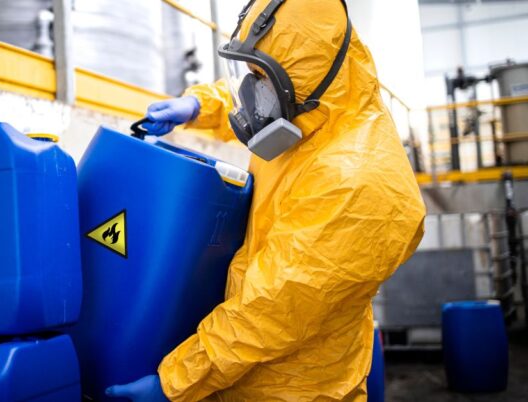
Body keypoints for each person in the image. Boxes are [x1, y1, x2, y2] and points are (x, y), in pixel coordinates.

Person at [106, 0, 426, 400]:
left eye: (259, 74)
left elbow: (271, 311)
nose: (251, 88)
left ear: (303, 78)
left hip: (300, 387)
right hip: (239, 373)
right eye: (251, 71)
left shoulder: (356, 183)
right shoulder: (305, 120)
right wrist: (197, 106)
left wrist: (174, 383)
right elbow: (264, 94)